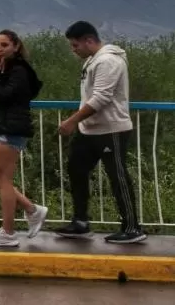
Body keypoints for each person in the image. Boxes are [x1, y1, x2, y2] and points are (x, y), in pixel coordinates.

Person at [55, 21, 146, 244]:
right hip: (90, 130)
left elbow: (101, 98)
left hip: (111, 129)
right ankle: (80, 221)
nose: (73, 49)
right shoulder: (92, 61)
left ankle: (132, 227)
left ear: (89, 40)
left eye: (75, 45)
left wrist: (71, 121)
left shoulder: (108, 61)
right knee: (76, 169)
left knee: (117, 176)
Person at [0, 30, 48, 247]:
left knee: (1, 179)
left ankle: (8, 232)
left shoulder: (18, 70)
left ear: (16, 46)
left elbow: (5, 96)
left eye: (4, 45)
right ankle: (32, 210)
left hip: (10, 130)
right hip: (3, 128)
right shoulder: (7, 69)